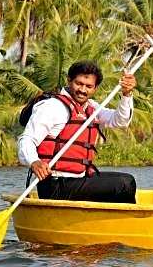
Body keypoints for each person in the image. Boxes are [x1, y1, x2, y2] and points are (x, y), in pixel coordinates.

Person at [17, 60, 137, 204]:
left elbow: (120, 120)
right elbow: (27, 139)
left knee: (127, 180)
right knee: (124, 183)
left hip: (78, 180)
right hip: (56, 184)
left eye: (88, 86)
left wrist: (126, 94)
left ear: (95, 88)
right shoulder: (52, 106)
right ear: (69, 80)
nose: (83, 90)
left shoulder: (92, 108)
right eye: (78, 83)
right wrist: (34, 162)